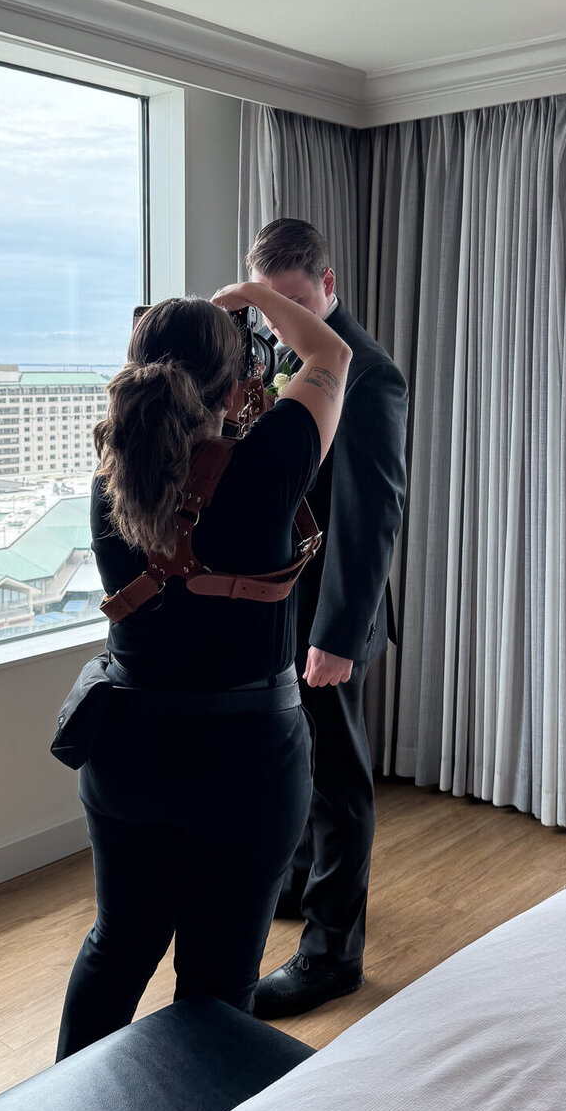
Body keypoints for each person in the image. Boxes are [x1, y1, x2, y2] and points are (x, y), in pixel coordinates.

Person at [55, 289, 351, 1060]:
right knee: (219, 978)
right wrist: (253, 296)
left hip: (127, 752)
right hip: (246, 763)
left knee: (117, 946)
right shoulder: (268, 463)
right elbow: (332, 356)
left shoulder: (110, 482)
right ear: (232, 384)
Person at [247, 219, 408, 1019]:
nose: (286, 325)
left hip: (329, 619)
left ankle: (332, 956)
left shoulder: (370, 375)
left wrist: (337, 637)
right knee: (298, 760)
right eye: (273, 310)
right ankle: (299, 886)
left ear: (329, 286)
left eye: (299, 304)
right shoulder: (276, 358)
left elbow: (372, 515)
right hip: (281, 606)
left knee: (340, 782)